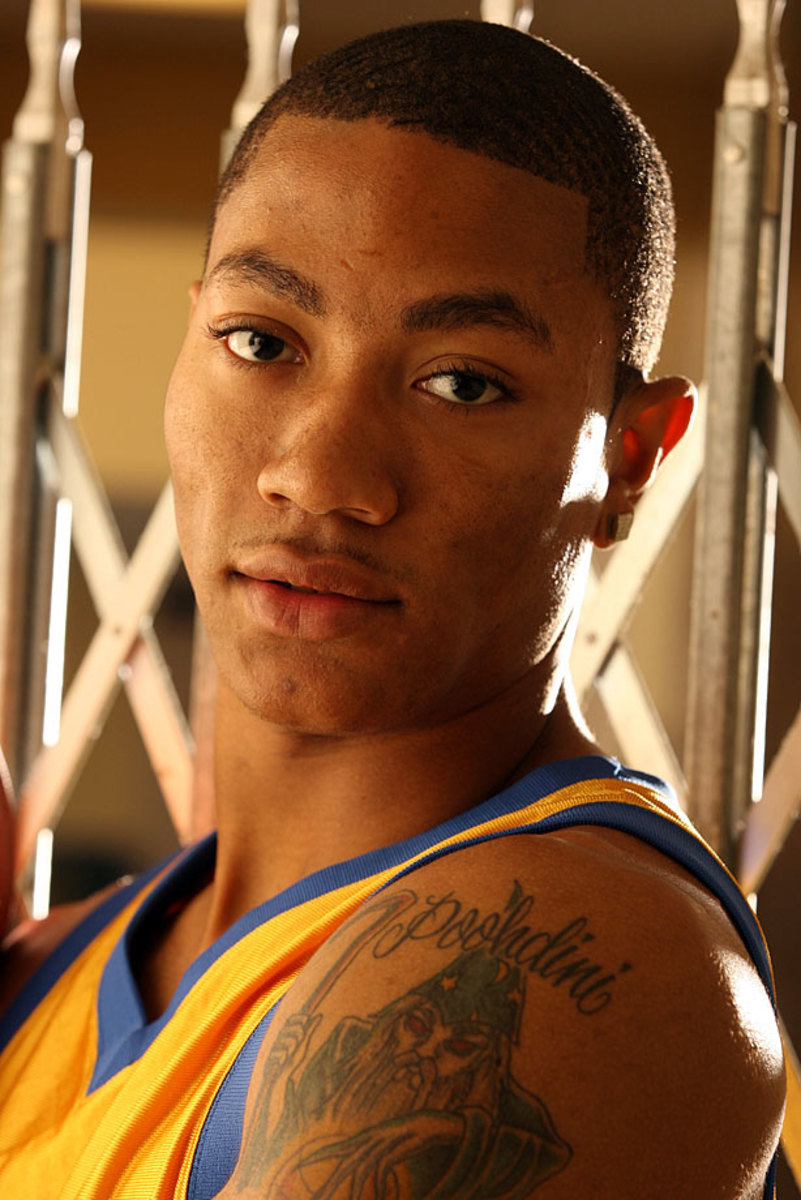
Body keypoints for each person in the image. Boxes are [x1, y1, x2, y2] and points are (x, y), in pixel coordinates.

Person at [0, 19, 785, 1199]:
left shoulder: (586, 965)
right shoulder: (51, 969)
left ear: (628, 459)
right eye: (260, 341)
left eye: (462, 383)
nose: (320, 476)